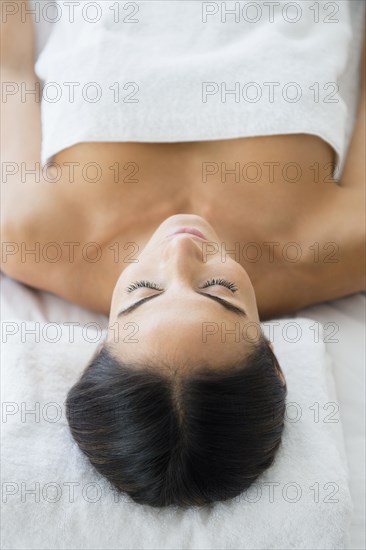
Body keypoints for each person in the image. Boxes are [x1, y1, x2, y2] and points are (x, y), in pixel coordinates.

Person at [1, 1, 364, 507]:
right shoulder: (339, 247)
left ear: (94, 350)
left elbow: (8, 66)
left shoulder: (28, 236)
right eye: (219, 289)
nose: (180, 251)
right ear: (274, 356)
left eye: (143, 292)